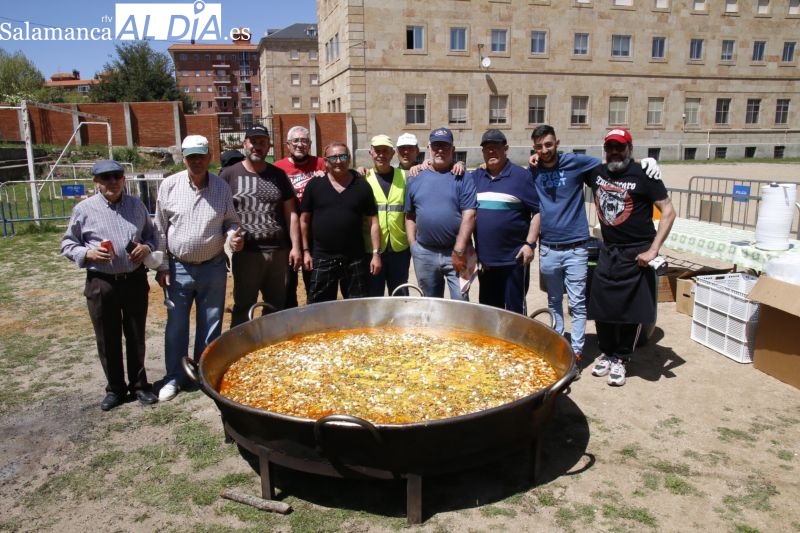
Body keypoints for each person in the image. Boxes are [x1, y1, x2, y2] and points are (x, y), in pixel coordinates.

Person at [529, 124, 661, 369]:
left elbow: (615, 163)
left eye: (549, 144)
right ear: (534, 148)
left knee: (578, 303)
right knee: (554, 301)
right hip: (548, 247)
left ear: (557, 143)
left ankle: (576, 353)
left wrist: (646, 162)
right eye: (539, 147)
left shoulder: (576, 163)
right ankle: (559, 344)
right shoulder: (533, 168)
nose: (544, 150)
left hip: (577, 246)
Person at [61, 160, 159, 411]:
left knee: (136, 336)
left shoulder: (136, 206)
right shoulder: (84, 209)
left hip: (135, 280)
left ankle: (139, 386)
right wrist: (88, 254)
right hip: (102, 283)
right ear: (96, 182)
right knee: (107, 337)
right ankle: (115, 388)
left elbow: (151, 235)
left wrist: (146, 246)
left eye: (117, 176)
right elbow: (68, 244)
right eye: (106, 178)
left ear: (124, 179)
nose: (113, 182)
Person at [154, 134, 244, 401]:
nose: (196, 162)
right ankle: (174, 377)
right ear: (184, 158)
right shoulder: (169, 186)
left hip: (213, 267)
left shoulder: (220, 187)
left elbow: (230, 221)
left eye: (201, 156)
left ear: (209, 157)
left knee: (211, 324)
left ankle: (203, 375)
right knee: (176, 326)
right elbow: (159, 229)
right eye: (191, 157)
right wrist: (163, 265)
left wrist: (232, 237)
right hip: (178, 268)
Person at [585, 128, 675, 386]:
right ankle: (609, 352)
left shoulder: (644, 174)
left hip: (637, 251)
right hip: (609, 249)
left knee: (631, 309)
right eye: (610, 147)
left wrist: (654, 249)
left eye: (620, 147)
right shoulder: (596, 173)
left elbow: (668, 212)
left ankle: (622, 358)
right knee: (602, 306)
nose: (615, 152)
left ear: (630, 148)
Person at [219, 124, 301, 327]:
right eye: (253, 142)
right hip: (246, 253)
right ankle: (239, 350)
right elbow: (217, 213)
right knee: (244, 307)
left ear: (269, 146)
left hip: (278, 252)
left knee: (276, 307)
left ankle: (270, 351)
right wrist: (227, 241)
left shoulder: (278, 175)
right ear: (244, 144)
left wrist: (296, 247)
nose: (257, 146)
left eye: (262, 142)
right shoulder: (229, 175)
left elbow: (291, 213)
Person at [300, 141, 381, 303]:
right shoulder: (315, 185)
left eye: (343, 156)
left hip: (354, 258)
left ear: (349, 158)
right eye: (334, 157)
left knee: (357, 308)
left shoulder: (362, 186)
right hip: (322, 257)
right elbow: (304, 221)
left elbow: (373, 222)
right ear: (326, 161)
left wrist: (375, 253)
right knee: (319, 308)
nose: (339, 161)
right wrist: (306, 251)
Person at [405, 127, 477, 300]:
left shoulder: (463, 177)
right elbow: (409, 215)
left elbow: (470, 215)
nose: (440, 150)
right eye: (436, 146)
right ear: (429, 148)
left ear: (452, 149)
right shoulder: (415, 177)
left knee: (461, 303)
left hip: (456, 252)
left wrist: (459, 251)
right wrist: (413, 245)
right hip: (424, 253)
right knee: (430, 305)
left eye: (445, 146)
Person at [472, 129, 538, 314]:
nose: (491, 152)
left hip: (514, 262)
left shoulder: (521, 176)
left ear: (506, 148)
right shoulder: (476, 177)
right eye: (487, 149)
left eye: (495, 147)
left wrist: (530, 244)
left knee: (515, 313)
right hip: (486, 263)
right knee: (490, 313)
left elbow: (538, 212)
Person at [274, 125, 326, 307]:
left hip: (315, 231)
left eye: (304, 141)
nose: (300, 144)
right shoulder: (278, 168)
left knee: (315, 281)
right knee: (288, 282)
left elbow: (342, 172)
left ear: (310, 144)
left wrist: (360, 170)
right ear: (288, 144)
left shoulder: (321, 163)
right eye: (295, 141)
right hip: (288, 232)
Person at [364, 134, 411, 296]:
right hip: (372, 250)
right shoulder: (363, 178)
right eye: (377, 151)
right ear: (371, 153)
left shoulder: (405, 177)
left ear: (393, 153)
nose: (381, 155)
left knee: (399, 295)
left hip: (399, 248)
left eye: (385, 151)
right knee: (374, 296)